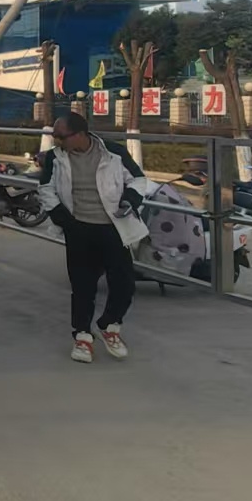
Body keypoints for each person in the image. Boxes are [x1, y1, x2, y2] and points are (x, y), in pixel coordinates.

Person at [38, 112, 148, 364]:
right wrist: (63, 219)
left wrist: (129, 200)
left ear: (79, 134)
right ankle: (82, 336)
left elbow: (138, 179)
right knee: (82, 287)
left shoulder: (113, 152)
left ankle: (109, 324)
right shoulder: (56, 158)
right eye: (54, 137)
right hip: (78, 228)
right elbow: (45, 189)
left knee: (124, 284)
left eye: (61, 136)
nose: (56, 142)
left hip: (113, 227)